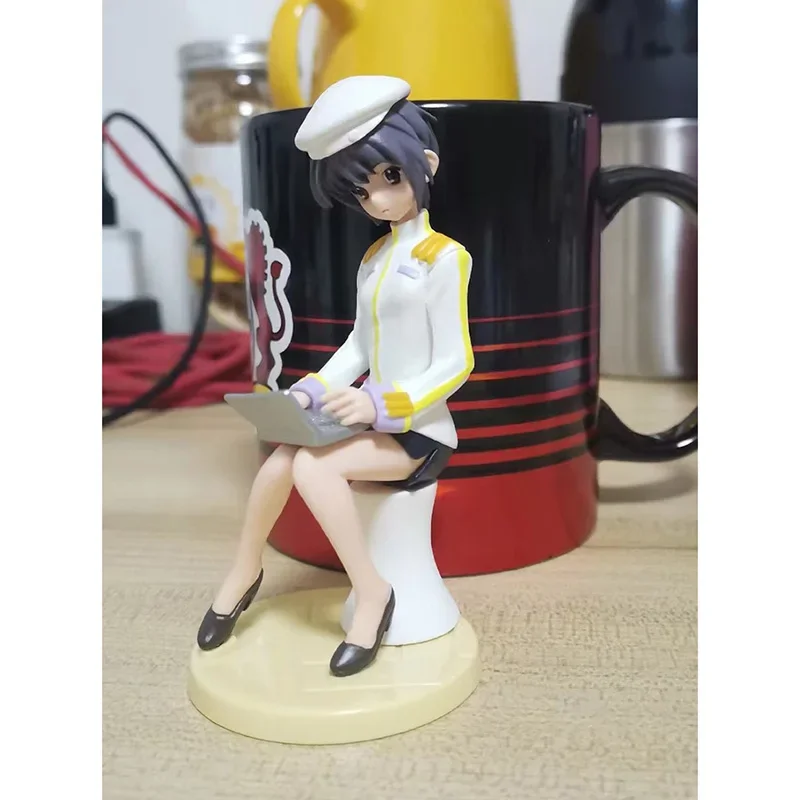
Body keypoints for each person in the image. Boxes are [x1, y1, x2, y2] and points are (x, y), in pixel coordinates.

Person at [196, 75, 474, 677]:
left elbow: (457, 362)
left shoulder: (445, 258)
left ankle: (372, 592)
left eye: (390, 178)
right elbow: (358, 345)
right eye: (362, 190)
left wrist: (383, 406)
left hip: (420, 432)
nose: (377, 199)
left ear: (424, 165)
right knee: (281, 458)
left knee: (314, 467)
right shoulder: (374, 260)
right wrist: (314, 390)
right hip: (371, 419)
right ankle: (245, 569)